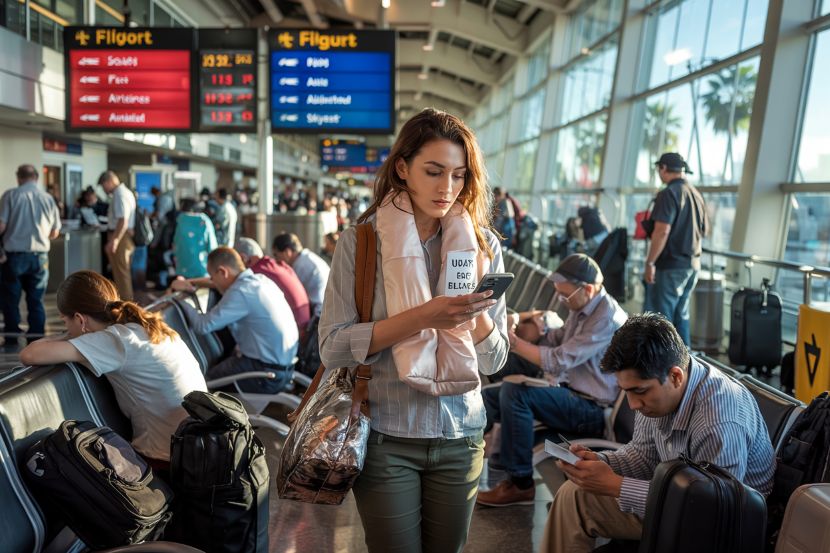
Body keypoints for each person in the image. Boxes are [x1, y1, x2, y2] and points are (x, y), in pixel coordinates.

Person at [319, 108, 509, 553]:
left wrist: (471, 313)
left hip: (461, 433)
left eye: (459, 176)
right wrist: (425, 316)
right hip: (387, 435)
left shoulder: (482, 246)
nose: (447, 188)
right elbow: (332, 347)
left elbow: (495, 359)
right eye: (434, 171)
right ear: (402, 168)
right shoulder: (361, 242)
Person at [540, 313, 776, 553]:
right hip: (678, 498)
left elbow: (711, 513)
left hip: (724, 530)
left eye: (639, 391)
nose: (632, 404)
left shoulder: (718, 420)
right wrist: (601, 463)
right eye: (626, 392)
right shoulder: (660, 392)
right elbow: (643, 456)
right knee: (575, 494)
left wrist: (616, 485)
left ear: (675, 376)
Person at [476, 254, 627, 507]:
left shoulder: (605, 318)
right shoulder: (583, 308)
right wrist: (533, 328)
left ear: (587, 289)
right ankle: (466, 455)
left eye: (564, 295)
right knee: (491, 396)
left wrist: (513, 342)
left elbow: (558, 360)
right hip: (570, 394)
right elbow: (558, 339)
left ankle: (521, 484)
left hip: (591, 408)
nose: (560, 300)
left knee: (515, 393)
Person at [19, 271, 206, 464]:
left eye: (65, 322)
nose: (66, 328)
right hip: (201, 449)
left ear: (80, 319)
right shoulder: (146, 327)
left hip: (167, 459)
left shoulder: (114, 340)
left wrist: (69, 336)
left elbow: (29, 354)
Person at [172, 247, 299, 394]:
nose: (212, 281)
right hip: (285, 369)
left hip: (264, 375)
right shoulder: (260, 281)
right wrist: (189, 283)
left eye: (212, 276)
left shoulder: (240, 292)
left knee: (201, 382)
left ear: (222, 272)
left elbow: (203, 325)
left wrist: (180, 298)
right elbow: (218, 284)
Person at [643, 152, 708, 346]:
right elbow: (704, 230)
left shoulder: (668, 193)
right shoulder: (696, 194)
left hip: (670, 266)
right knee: (681, 317)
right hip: (692, 265)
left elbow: (662, 231)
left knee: (659, 321)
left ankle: (661, 368)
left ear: (663, 168)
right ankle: (686, 367)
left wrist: (650, 262)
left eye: (659, 169)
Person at [0, 164, 61, 347]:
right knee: (36, 299)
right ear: (36, 177)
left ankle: (11, 337)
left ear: (19, 177)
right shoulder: (48, 198)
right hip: (40, 257)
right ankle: (36, 337)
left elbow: (1, 226)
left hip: (14, 257)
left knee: (11, 298)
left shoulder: (10, 195)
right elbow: (54, 232)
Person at [234, 237, 311, 334]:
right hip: (306, 327)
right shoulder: (279, 265)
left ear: (242, 258)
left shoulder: (256, 273)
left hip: (296, 333)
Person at [272, 232, 330, 317]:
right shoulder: (306, 258)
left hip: (319, 316)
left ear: (287, 252)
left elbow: (290, 295)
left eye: (276, 255)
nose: (276, 260)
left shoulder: (301, 266)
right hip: (325, 310)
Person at [99, 170, 136, 300]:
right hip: (121, 236)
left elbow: (123, 220)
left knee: (121, 273)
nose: (104, 190)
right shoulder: (124, 193)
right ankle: (125, 302)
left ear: (109, 181)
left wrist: (114, 240)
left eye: (104, 186)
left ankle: (127, 304)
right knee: (120, 273)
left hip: (120, 237)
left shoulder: (120, 194)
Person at [173, 198, 217, 278]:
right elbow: (212, 244)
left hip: (183, 266)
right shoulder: (204, 220)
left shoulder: (180, 220)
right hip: (201, 266)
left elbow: (176, 242)